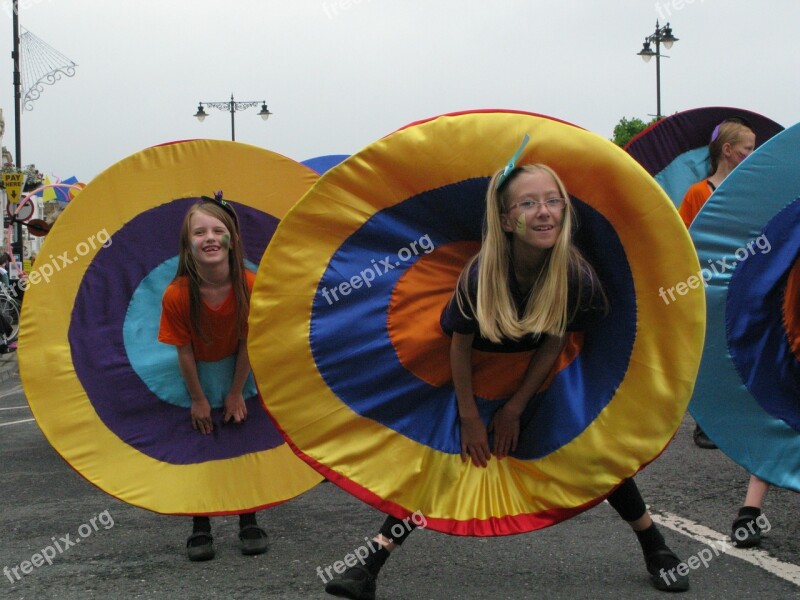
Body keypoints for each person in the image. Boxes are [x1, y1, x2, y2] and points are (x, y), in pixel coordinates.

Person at [324, 162, 690, 598]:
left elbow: (556, 341)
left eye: (554, 201)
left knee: (592, 450)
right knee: (444, 458)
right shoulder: (481, 275)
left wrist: (516, 408)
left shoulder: (574, 274)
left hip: (541, 366)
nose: (544, 212)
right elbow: (459, 345)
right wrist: (470, 418)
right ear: (505, 220)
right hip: (477, 367)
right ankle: (370, 564)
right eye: (529, 203)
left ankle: (655, 545)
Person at [158, 192, 269, 561]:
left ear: (232, 240)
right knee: (200, 443)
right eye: (198, 232)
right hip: (195, 373)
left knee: (240, 440)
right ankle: (200, 524)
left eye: (217, 230)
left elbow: (248, 341)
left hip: (238, 367)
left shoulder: (251, 286)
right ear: (187, 246)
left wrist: (236, 391)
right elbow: (184, 349)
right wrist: (198, 398)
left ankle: (248, 517)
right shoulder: (178, 295)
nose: (209, 237)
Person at [680, 117, 757, 449]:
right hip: (707, 284)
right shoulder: (699, 192)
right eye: (747, 150)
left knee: (743, 346)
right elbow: (681, 239)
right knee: (710, 351)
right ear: (728, 150)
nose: (753, 155)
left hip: (745, 281)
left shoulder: (752, 189)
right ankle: (706, 422)